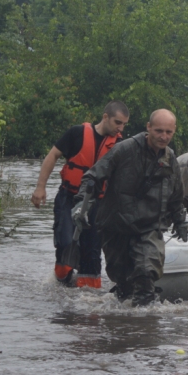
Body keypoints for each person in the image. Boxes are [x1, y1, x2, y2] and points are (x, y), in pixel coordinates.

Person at [72, 109, 188, 306]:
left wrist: (180, 220)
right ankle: (124, 327)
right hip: (116, 224)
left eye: (169, 132)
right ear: (148, 127)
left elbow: (176, 196)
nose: (164, 137)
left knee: (145, 271)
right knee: (122, 280)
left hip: (150, 226)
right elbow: (93, 176)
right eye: (159, 131)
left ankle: (145, 325)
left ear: (174, 130)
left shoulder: (170, 160)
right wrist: (81, 205)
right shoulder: (124, 149)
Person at [31, 101, 129, 288]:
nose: (120, 128)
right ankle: (63, 280)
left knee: (91, 254)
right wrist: (40, 187)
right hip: (69, 197)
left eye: (124, 124)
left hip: (98, 204)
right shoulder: (76, 133)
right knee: (66, 241)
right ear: (105, 117)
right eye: (118, 122)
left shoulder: (119, 145)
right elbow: (52, 156)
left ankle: (88, 302)